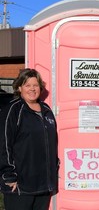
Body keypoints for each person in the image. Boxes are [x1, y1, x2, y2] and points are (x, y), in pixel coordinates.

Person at [0, 69, 59, 210]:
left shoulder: (46, 110)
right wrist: (9, 176)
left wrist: (54, 167)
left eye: (36, 85)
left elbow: (51, 142)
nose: (32, 89)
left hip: (44, 185)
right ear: (19, 87)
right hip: (21, 185)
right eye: (27, 85)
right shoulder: (13, 110)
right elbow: (4, 145)